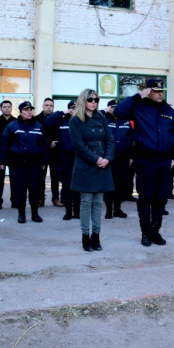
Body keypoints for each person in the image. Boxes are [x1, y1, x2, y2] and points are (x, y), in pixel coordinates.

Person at [114, 79, 174, 247]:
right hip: (145, 160)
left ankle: (155, 232)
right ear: (148, 91)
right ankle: (145, 233)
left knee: (160, 199)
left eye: (162, 91)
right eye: (156, 91)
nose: (160, 93)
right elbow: (118, 112)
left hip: (164, 162)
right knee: (145, 199)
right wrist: (138, 96)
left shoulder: (169, 111)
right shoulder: (138, 107)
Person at [69, 89, 114, 252]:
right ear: (83, 101)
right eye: (90, 99)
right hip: (86, 166)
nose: (94, 102)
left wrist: (107, 158)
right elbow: (79, 146)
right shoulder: (75, 120)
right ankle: (85, 237)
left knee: (97, 203)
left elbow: (110, 139)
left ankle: (96, 236)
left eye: (96, 99)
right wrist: (96, 159)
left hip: (102, 164)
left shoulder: (101, 118)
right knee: (86, 202)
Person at [0, 101, 48, 224]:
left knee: (34, 189)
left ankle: (35, 214)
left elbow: (45, 145)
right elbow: (4, 144)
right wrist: (2, 161)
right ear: (20, 112)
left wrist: (44, 161)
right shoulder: (12, 126)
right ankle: (21, 214)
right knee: (20, 190)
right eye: (26, 110)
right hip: (18, 163)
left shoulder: (39, 126)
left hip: (34, 163)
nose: (29, 112)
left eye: (30, 109)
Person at [44, 101, 80, 221]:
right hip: (64, 157)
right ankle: (68, 211)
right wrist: (61, 112)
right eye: (72, 108)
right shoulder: (61, 120)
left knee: (78, 186)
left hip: (79, 157)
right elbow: (47, 123)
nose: (74, 110)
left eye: (76, 108)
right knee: (66, 185)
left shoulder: (82, 121)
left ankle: (77, 212)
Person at [102, 99, 133, 220]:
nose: (115, 109)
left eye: (117, 107)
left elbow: (132, 139)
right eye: (112, 107)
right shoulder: (104, 120)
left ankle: (118, 208)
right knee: (109, 184)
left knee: (121, 184)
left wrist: (131, 156)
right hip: (109, 158)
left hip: (123, 157)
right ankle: (109, 209)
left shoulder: (126, 121)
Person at [0, 100, 15, 210]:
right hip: (0, 154)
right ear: (1, 108)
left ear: (11, 108)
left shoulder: (15, 121)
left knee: (15, 179)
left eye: (9, 107)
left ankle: (14, 201)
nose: (7, 109)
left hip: (13, 154)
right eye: (5, 107)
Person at [35, 98, 59, 207]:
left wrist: (56, 143)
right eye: (46, 105)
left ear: (53, 107)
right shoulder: (36, 120)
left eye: (51, 105)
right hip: (42, 152)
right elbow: (36, 137)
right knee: (40, 177)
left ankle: (55, 198)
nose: (49, 107)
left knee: (55, 177)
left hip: (55, 152)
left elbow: (62, 134)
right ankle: (40, 199)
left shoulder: (58, 119)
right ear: (43, 106)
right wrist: (48, 143)